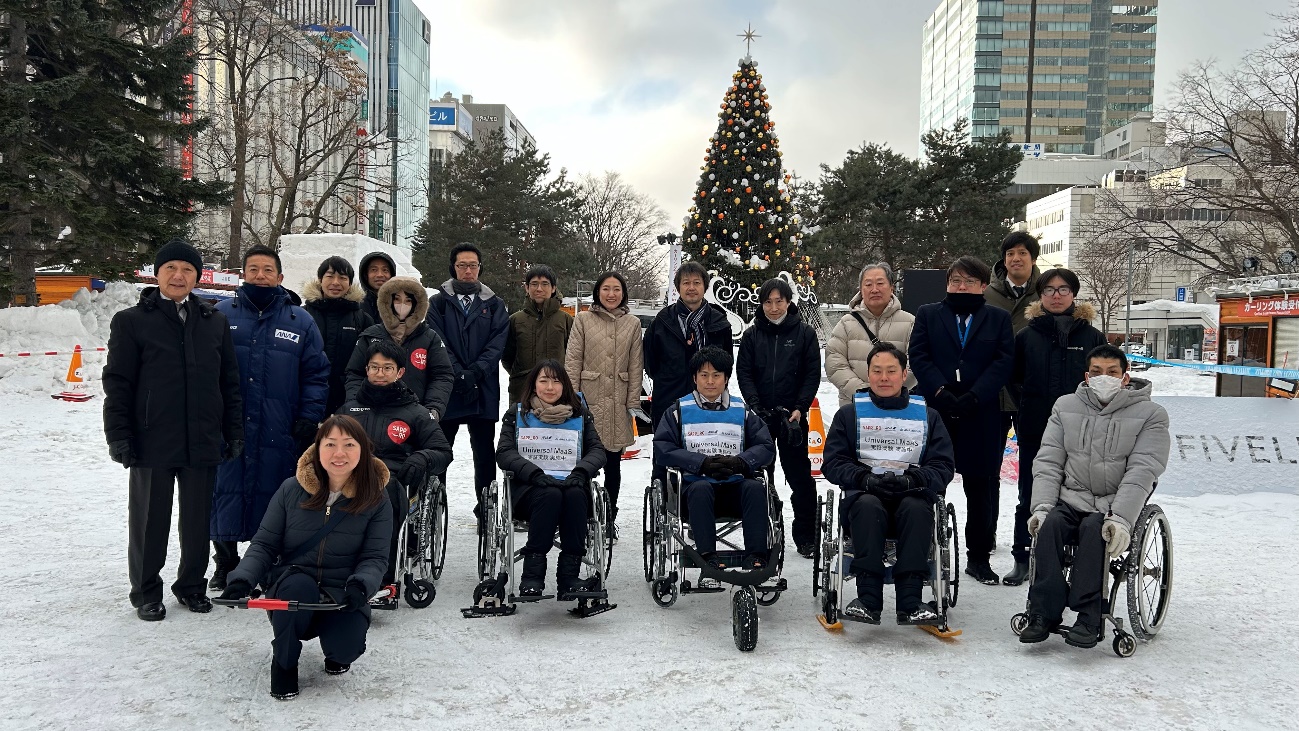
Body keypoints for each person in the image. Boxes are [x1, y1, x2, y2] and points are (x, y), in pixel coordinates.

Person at [103, 239, 244, 620]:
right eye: (171, 269)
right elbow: (118, 383)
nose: (179, 276)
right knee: (150, 520)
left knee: (198, 520)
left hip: (202, 437)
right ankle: (146, 591)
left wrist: (232, 432)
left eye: (187, 270)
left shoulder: (212, 321)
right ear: (157, 273)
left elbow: (228, 382)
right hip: (152, 439)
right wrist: (119, 435)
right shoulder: (132, 321)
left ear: (198, 276)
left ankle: (191, 586)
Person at [219, 415, 394, 700]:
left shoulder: (375, 497)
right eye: (331, 444)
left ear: (362, 450)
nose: (339, 453)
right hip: (295, 581)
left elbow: (375, 557)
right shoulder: (291, 489)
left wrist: (361, 585)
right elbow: (264, 544)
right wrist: (242, 578)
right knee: (295, 589)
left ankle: (336, 648)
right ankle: (284, 662)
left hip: (342, 591)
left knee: (346, 648)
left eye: (349, 445)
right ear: (317, 449)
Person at [1018, 345, 1170, 648]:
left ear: (1125, 377)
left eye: (1112, 372)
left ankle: (1089, 616)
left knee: (1093, 531)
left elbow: (1143, 470)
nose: (1105, 378)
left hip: (1114, 501)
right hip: (1071, 496)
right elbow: (1048, 460)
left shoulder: (1151, 414)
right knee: (1050, 527)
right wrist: (1042, 506)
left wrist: (1122, 519)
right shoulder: (1065, 406)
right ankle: (1042, 613)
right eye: (1097, 372)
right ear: (1087, 376)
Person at [211, 245, 330, 591]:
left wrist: (309, 418)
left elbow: (316, 374)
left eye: (267, 270)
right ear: (242, 274)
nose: (260, 276)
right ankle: (225, 561)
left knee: (275, 495)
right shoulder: (220, 315)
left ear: (279, 277)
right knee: (224, 491)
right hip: (230, 425)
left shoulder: (300, 320)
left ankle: (265, 561)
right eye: (253, 269)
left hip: (279, 426)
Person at [821, 342, 955, 624]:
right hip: (865, 496)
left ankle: (911, 601)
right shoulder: (849, 415)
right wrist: (863, 478)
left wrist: (915, 479)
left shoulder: (928, 416)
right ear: (867, 374)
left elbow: (943, 465)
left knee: (917, 509)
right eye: (877, 371)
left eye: (891, 371)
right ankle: (868, 599)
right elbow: (833, 462)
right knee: (868, 505)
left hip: (912, 494)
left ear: (904, 373)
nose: (884, 378)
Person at [908, 255, 1014, 586]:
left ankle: (978, 558)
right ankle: (922, 551)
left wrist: (974, 395)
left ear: (983, 285)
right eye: (955, 280)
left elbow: (1003, 361)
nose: (961, 286)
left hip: (981, 413)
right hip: (937, 411)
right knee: (929, 484)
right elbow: (919, 355)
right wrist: (939, 391)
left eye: (969, 281)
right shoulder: (928, 314)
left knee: (980, 489)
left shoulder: (997, 318)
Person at [1002, 268, 1108, 586]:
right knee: (1030, 492)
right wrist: (1029, 408)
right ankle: (1023, 556)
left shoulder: (1092, 337)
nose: (1056, 295)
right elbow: (1013, 379)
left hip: (1084, 432)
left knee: (1079, 494)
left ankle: (1076, 556)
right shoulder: (1027, 336)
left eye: (1063, 289)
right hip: (1036, 428)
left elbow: (1104, 381)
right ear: (1040, 296)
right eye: (1049, 290)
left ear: (1074, 294)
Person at [338, 340, 453, 601]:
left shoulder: (416, 412)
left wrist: (422, 457)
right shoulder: (349, 411)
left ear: (400, 372)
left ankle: (382, 575)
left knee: (384, 489)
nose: (380, 373)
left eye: (387, 368)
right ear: (366, 370)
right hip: (349, 475)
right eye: (374, 367)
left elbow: (443, 452)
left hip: (393, 480)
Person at [653, 346, 774, 570]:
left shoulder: (742, 410)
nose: (710, 381)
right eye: (704, 375)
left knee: (756, 488)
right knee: (701, 489)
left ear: (726, 378)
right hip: (694, 490)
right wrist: (701, 463)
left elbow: (766, 445)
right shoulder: (678, 410)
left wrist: (741, 462)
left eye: (717, 375)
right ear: (694, 378)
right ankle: (707, 556)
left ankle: (757, 556)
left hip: (734, 485)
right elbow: (662, 447)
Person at [496, 360, 608, 598]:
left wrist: (581, 471)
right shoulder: (518, 414)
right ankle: (532, 577)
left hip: (571, 484)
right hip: (530, 489)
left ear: (564, 385)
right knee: (550, 495)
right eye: (544, 380)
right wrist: (534, 473)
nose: (550, 387)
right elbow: (505, 453)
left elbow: (597, 450)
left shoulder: (579, 415)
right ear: (534, 385)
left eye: (556, 381)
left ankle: (569, 578)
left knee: (577, 495)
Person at [736, 278, 821, 559]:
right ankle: (767, 530)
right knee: (761, 476)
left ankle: (806, 535)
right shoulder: (751, 335)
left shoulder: (804, 334)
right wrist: (755, 406)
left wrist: (800, 407)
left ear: (788, 301)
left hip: (793, 417)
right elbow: (744, 374)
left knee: (799, 477)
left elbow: (811, 375)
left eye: (779, 301)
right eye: (768, 302)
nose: (773, 308)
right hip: (760, 417)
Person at [426, 242, 509, 517]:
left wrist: (476, 372)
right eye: (462, 265)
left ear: (480, 268)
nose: (468, 270)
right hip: (447, 387)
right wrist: (457, 372)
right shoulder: (437, 303)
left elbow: (497, 343)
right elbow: (436, 339)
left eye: (473, 265)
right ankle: (436, 506)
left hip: (482, 387)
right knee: (440, 449)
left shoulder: (494, 304)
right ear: (453, 268)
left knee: (484, 452)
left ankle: (485, 507)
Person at [564, 271, 645, 538]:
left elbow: (636, 365)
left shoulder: (632, 323)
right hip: (589, 397)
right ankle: (585, 515)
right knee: (584, 462)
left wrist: (632, 401)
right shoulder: (584, 320)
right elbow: (573, 359)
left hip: (618, 401)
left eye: (617, 289)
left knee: (613, 463)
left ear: (624, 293)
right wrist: (572, 398)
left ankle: (609, 517)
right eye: (606, 289)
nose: (611, 294)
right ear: (598, 292)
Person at [644, 262, 734, 481]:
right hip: (669, 398)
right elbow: (650, 363)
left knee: (708, 450)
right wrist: (672, 378)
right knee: (666, 454)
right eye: (686, 283)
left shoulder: (719, 323)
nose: (691, 287)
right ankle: (666, 501)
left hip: (710, 399)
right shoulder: (662, 322)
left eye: (696, 282)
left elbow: (727, 363)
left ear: (705, 287)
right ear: (678, 287)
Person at [343, 276, 453, 421]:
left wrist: (433, 408)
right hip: (373, 416)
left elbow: (442, 375)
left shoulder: (430, 338)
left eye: (408, 300)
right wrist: (355, 405)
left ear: (417, 304)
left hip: (416, 417)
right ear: (387, 301)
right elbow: (355, 373)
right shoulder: (370, 335)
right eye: (397, 299)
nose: (402, 305)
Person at [984, 232, 1043, 483]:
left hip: (1031, 390)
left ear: (1033, 258)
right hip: (991, 392)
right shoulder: (986, 295)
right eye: (1010, 254)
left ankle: (1029, 522)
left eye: (1022, 253)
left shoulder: (1047, 293)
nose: (1015, 258)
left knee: (1035, 468)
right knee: (986, 470)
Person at [826, 262, 916, 405]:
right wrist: (863, 392)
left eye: (880, 283)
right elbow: (835, 364)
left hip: (898, 406)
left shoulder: (910, 322)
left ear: (891, 287)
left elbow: (916, 362)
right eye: (868, 284)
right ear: (861, 290)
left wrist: (892, 391)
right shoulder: (845, 324)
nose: (874, 289)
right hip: (854, 405)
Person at [301, 256, 373, 416]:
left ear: (350, 282)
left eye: (342, 278)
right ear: (320, 279)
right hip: (307, 398)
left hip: (348, 398)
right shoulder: (303, 314)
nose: (336, 282)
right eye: (330, 276)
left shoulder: (362, 318)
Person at [503, 265, 574, 405]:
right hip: (522, 391)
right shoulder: (515, 320)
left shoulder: (565, 320)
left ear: (553, 288)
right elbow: (507, 356)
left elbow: (573, 356)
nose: (539, 289)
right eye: (534, 284)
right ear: (526, 288)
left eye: (545, 284)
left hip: (556, 391)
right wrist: (522, 375)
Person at [357, 251, 396, 323]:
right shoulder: (356, 307)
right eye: (374, 270)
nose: (380, 275)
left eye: (385, 270)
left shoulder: (399, 304)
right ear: (366, 275)